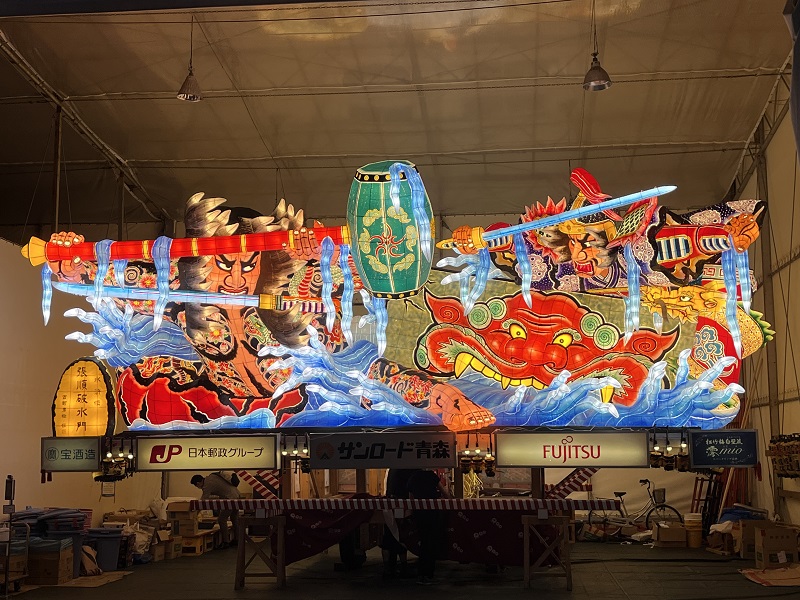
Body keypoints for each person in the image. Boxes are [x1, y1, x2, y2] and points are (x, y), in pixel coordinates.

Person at [406, 469, 451, 586]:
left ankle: (421, 574)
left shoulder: (413, 477)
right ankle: (428, 574)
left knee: (423, 543)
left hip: (419, 514)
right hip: (432, 513)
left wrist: (412, 513)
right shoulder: (431, 476)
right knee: (432, 543)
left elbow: (411, 498)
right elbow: (445, 493)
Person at [191, 471, 242, 548]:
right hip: (237, 494)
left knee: (222, 519)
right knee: (234, 518)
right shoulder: (212, 477)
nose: (198, 487)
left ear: (198, 483)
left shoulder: (207, 485)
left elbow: (202, 502)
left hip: (230, 498)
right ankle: (237, 540)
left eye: (197, 486)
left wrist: (194, 515)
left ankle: (225, 542)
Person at [381, 469, 416, 578]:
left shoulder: (392, 469)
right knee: (401, 536)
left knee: (388, 536)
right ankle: (403, 567)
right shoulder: (408, 469)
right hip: (402, 505)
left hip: (389, 504)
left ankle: (387, 567)